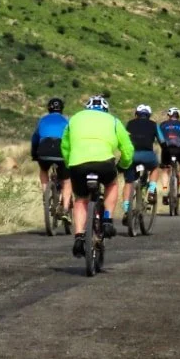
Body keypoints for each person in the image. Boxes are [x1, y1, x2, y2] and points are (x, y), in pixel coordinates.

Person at [61, 95, 134, 258]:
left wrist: (69, 163)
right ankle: (107, 220)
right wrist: (123, 165)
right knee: (112, 184)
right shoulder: (113, 120)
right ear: (105, 110)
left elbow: (64, 145)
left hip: (77, 164)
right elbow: (127, 148)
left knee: (80, 199)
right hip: (104, 163)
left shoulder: (74, 119)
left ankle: (79, 237)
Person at [31, 97, 72, 218]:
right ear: (62, 109)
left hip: (43, 150)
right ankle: (64, 209)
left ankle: (46, 195)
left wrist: (34, 154)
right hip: (60, 151)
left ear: (48, 108)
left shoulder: (42, 120)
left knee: (43, 170)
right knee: (66, 180)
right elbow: (71, 140)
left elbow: (35, 139)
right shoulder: (66, 121)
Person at [121, 105, 162, 222]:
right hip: (147, 156)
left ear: (136, 114)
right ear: (148, 115)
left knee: (128, 183)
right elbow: (162, 140)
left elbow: (124, 139)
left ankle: (126, 210)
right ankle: (152, 190)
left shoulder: (129, 123)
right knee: (155, 168)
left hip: (132, 156)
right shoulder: (153, 124)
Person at [158, 107, 180, 203]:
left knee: (165, 169)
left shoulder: (163, 125)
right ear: (178, 115)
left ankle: (164, 191)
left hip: (167, 150)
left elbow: (160, 139)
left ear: (169, 115)